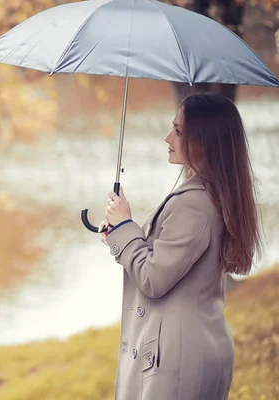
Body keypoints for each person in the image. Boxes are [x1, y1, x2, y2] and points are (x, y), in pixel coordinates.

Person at [98, 92, 262, 400]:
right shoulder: (211, 192)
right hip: (191, 347)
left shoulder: (195, 204)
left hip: (178, 357)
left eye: (178, 130)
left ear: (204, 141)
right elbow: (167, 259)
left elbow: (154, 279)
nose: (167, 138)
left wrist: (124, 226)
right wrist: (118, 234)